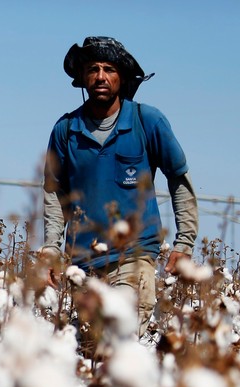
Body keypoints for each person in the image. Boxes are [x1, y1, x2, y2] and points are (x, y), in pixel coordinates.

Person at [40, 36, 198, 337]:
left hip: (134, 257)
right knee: (93, 354)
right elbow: (54, 192)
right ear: (82, 78)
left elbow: (179, 178)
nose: (101, 76)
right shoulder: (66, 130)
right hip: (83, 264)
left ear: (121, 77)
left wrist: (184, 242)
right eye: (93, 69)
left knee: (120, 344)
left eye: (109, 69)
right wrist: (51, 247)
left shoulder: (146, 121)